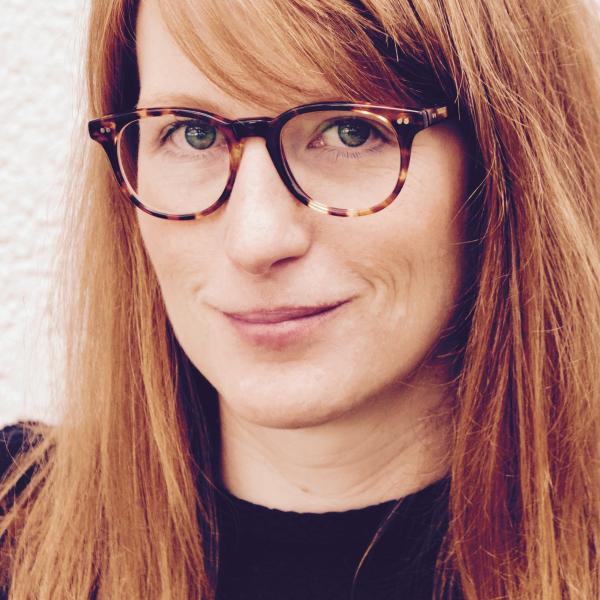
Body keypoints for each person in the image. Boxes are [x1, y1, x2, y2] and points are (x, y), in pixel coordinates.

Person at [1, 0, 599, 598]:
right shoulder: (14, 532)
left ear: (502, 165)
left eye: (350, 130)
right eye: (193, 132)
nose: (255, 240)